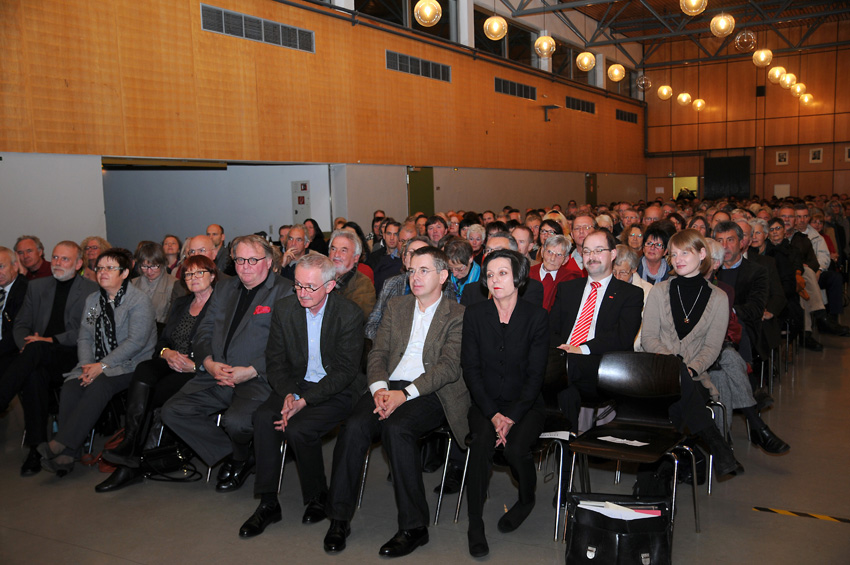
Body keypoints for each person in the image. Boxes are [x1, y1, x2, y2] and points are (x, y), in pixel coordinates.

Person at [323, 247, 468, 557]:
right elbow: (377, 353)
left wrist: (405, 394)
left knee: (397, 429)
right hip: (388, 386)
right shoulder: (397, 306)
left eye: (424, 270)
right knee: (354, 426)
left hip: (430, 392)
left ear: (443, 276)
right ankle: (339, 518)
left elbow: (448, 368)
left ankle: (414, 527)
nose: (415, 277)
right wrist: (379, 389)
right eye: (412, 270)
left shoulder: (458, 314)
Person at [238, 254, 364, 538]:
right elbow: (275, 362)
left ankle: (318, 496)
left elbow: (345, 372)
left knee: (299, 429)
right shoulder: (285, 309)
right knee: (264, 417)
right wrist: (289, 394)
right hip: (295, 384)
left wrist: (303, 401)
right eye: (297, 285)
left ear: (329, 286)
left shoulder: (349, 314)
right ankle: (268, 502)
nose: (302, 292)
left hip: (336, 388)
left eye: (310, 287)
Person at [162, 235, 292, 492]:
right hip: (216, 374)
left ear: (268, 262)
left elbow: (289, 345)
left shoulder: (285, 291)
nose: (245, 266)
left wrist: (252, 370)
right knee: (173, 411)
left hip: (256, 378)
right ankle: (240, 455)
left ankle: (240, 456)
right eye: (239, 260)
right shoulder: (224, 288)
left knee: (237, 422)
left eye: (252, 260)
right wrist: (208, 362)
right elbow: (204, 331)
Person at [641, 231, 774, 476]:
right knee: (677, 389)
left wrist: (691, 368)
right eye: (674, 254)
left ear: (702, 254)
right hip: (658, 373)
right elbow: (649, 338)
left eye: (685, 252)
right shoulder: (659, 291)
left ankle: (659, 476)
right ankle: (715, 445)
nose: (678, 259)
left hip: (695, 375)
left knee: (676, 400)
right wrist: (675, 365)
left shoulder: (719, 298)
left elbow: (712, 347)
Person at [94, 255, 219, 492]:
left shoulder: (221, 306)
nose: (193, 278)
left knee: (151, 395)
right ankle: (130, 446)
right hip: (171, 362)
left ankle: (129, 459)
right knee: (144, 369)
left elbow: (224, 348)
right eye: (188, 274)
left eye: (199, 273)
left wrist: (195, 365)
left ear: (212, 276)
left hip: (198, 369)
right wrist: (167, 353)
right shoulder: (181, 303)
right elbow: (162, 341)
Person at [39, 248, 157, 476]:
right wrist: (86, 365)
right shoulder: (94, 301)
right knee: (72, 385)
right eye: (100, 268)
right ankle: (67, 455)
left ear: (124, 273)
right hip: (95, 362)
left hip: (131, 364)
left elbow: (136, 343)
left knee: (99, 385)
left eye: (110, 268)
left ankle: (61, 444)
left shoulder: (138, 301)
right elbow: (85, 335)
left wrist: (101, 366)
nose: (102, 272)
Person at [462, 249, 548, 558]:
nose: (494, 280)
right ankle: (475, 523)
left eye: (502, 273)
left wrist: (510, 416)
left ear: (518, 277)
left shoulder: (536, 317)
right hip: (485, 403)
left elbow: (536, 376)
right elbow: (470, 370)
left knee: (514, 448)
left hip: (526, 404)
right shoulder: (474, 314)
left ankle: (526, 499)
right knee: (480, 444)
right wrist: (493, 413)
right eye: (489, 275)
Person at [0, 241, 97, 476]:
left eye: (65, 259)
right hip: (38, 355)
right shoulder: (37, 287)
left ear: (78, 264)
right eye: (55, 257)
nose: (58, 263)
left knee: (35, 353)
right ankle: (37, 448)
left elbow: (87, 330)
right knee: (33, 374)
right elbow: (21, 324)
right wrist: (26, 344)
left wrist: (49, 340)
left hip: (72, 354)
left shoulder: (92, 290)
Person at [549, 230, 643, 434]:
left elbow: (622, 336)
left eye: (598, 250)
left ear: (613, 254)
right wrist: (561, 351)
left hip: (603, 366)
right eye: (587, 251)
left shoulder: (630, 293)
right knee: (566, 392)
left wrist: (580, 349)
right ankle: (566, 446)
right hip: (564, 365)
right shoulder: (568, 289)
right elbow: (551, 329)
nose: (591, 256)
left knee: (559, 370)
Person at [328, 230, 376, 320]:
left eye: (343, 250)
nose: (336, 255)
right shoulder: (320, 277)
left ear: (356, 258)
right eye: (333, 249)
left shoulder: (363, 284)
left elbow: (358, 316)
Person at [131, 241, 177, 333]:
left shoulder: (174, 284)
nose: (149, 271)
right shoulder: (132, 284)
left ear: (162, 263)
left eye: (154, 266)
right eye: (144, 266)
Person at [530, 234, 580, 312]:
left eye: (559, 255)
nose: (552, 258)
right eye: (549, 252)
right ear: (542, 252)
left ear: (565, 260)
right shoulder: (528, 274)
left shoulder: (570, 279)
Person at [366, 220, 401, 295]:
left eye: (395, 234)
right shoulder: (374, 257)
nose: (392, 238)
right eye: (389, 234)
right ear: (384, 236)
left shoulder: (404, 259)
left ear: (400, 236)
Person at [636, 220, 675, 285]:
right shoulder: (634, 268)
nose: (652, 248)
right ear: (643, 248)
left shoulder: (671, 273)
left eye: (658, 245)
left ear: (665, 251)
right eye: (649, 243)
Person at [444, 238, 480, 303]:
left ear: (470, 259)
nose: (454, 274)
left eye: (459, 269)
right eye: (451, 269)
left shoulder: (481, 280)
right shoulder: (445, 277)